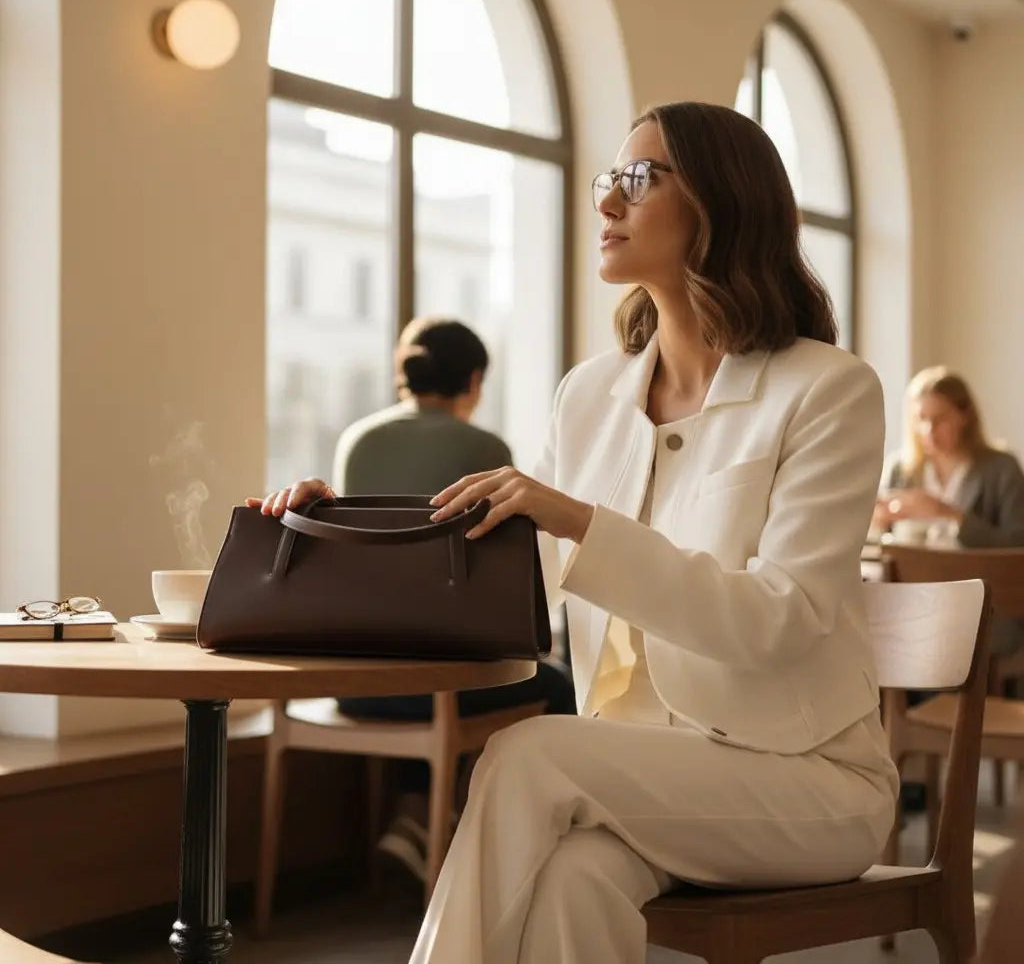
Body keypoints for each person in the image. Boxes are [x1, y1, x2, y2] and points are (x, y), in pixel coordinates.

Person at [256, 102, 898, 964]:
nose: (607, 203)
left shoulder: (828, 389)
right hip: (641, 769)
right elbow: (509, 572)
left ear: (723, 202)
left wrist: (572, 516)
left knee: (527, 756)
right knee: (576, 884)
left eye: (639, 180)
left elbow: (780, 619)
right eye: (608, 180)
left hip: (808, 780)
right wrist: (341, 528)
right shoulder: (588, 395)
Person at [253, 317, 575, 885]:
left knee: (424, 657)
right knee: (558, 682)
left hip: (358, 687)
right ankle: (508, 858)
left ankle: (415, 820)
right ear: (474, 380)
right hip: (438, 689)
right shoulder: (486, 449)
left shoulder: (358, 439)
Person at [874, 366, 1024, 655]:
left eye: (940, 419)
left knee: (932, 644)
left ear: (964, 416)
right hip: (910, 600)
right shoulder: (901, 470)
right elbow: (878, 541)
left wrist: (950, 514)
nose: (929, 431)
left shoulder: (1001, 469)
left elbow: (1017, 545)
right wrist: (878, 522)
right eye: (921, 419)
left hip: (987, 606)